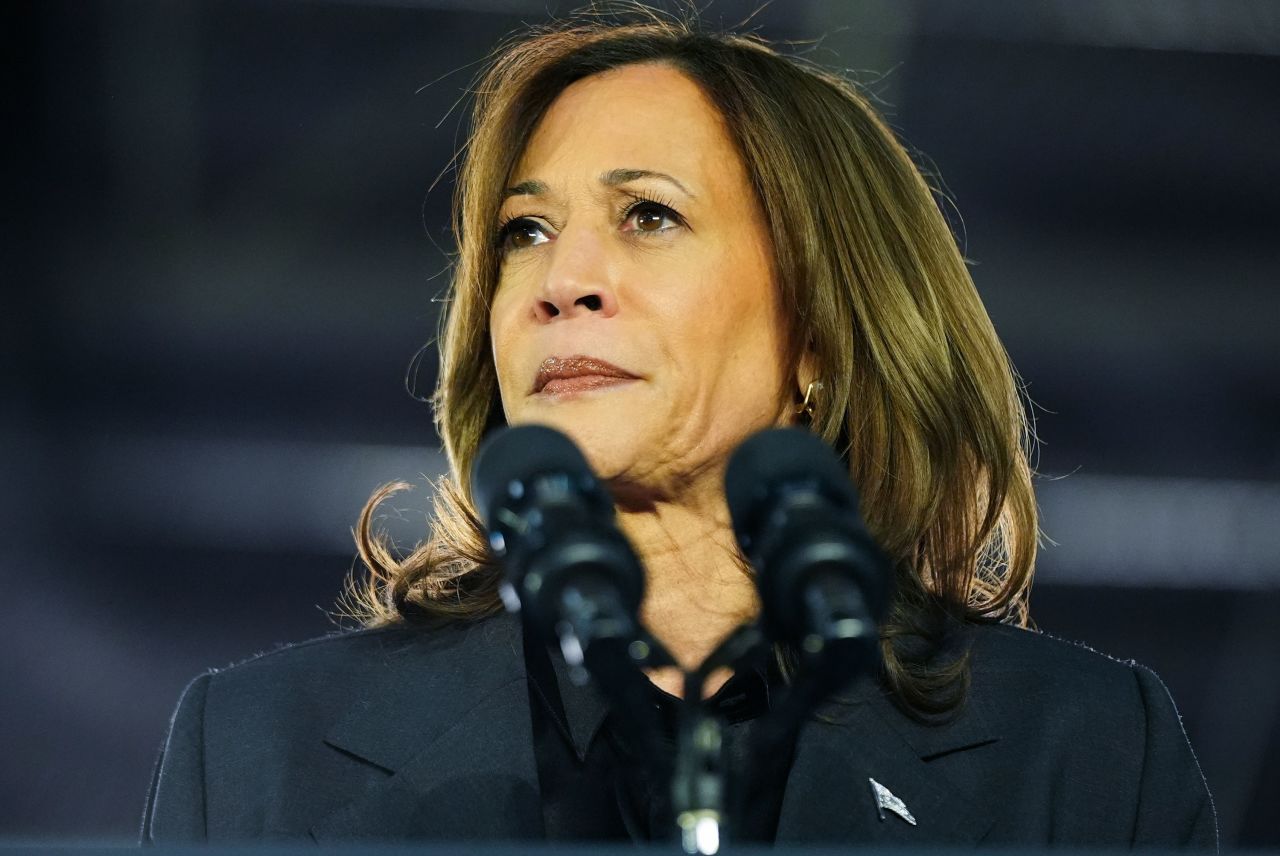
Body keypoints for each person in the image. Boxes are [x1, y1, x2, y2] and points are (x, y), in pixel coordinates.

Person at [142, 9, 1217, 848]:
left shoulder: (1081, 755)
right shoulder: (255, 753)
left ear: (819, 334)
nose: (561, 282)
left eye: (646, 215)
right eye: (524, 231)